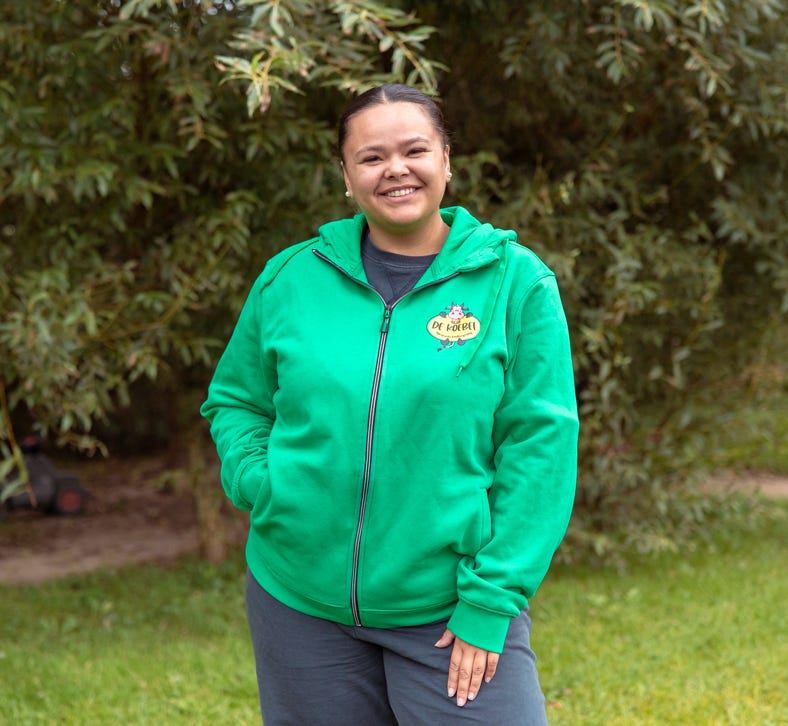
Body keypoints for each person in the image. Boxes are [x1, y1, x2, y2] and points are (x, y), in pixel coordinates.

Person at [200, 83, 579, 725]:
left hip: (450, 606)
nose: (395, 169)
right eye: (371, 157)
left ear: (447, 161)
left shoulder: (515, 283)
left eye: (414, 150)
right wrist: (262, 480)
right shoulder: (291, 278)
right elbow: (236, 399)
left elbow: (539, 450)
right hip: (299, 602)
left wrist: (491, 602)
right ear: (346, 175)